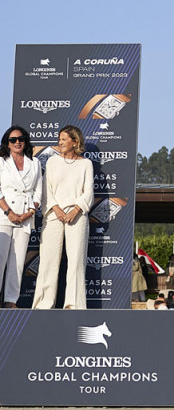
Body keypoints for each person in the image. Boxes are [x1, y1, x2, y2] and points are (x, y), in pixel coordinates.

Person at [31, 126, 94, 309]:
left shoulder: (85, 164)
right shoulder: (52, 162)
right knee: (48, 261)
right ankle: (43, 304)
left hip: (78, 215)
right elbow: (46, 190)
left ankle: (73, 305)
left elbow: (88, 192)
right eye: (59, 139)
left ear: (75, 141)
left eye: (64, 139)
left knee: (76, 262)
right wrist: (56, 209)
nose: (60, 143)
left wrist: (76, 209)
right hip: (53, 215)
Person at [0, 126, 42, 308]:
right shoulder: (1, 162)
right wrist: (9, 213)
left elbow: (38, 192)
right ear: (7, 144)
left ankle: (11, 300)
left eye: (21, 139)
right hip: (4, 215)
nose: (17, 142)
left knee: (17, 264)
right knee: (0, 258)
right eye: (13, 140)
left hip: (25, 216)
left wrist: (28, 213)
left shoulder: (35, 163)